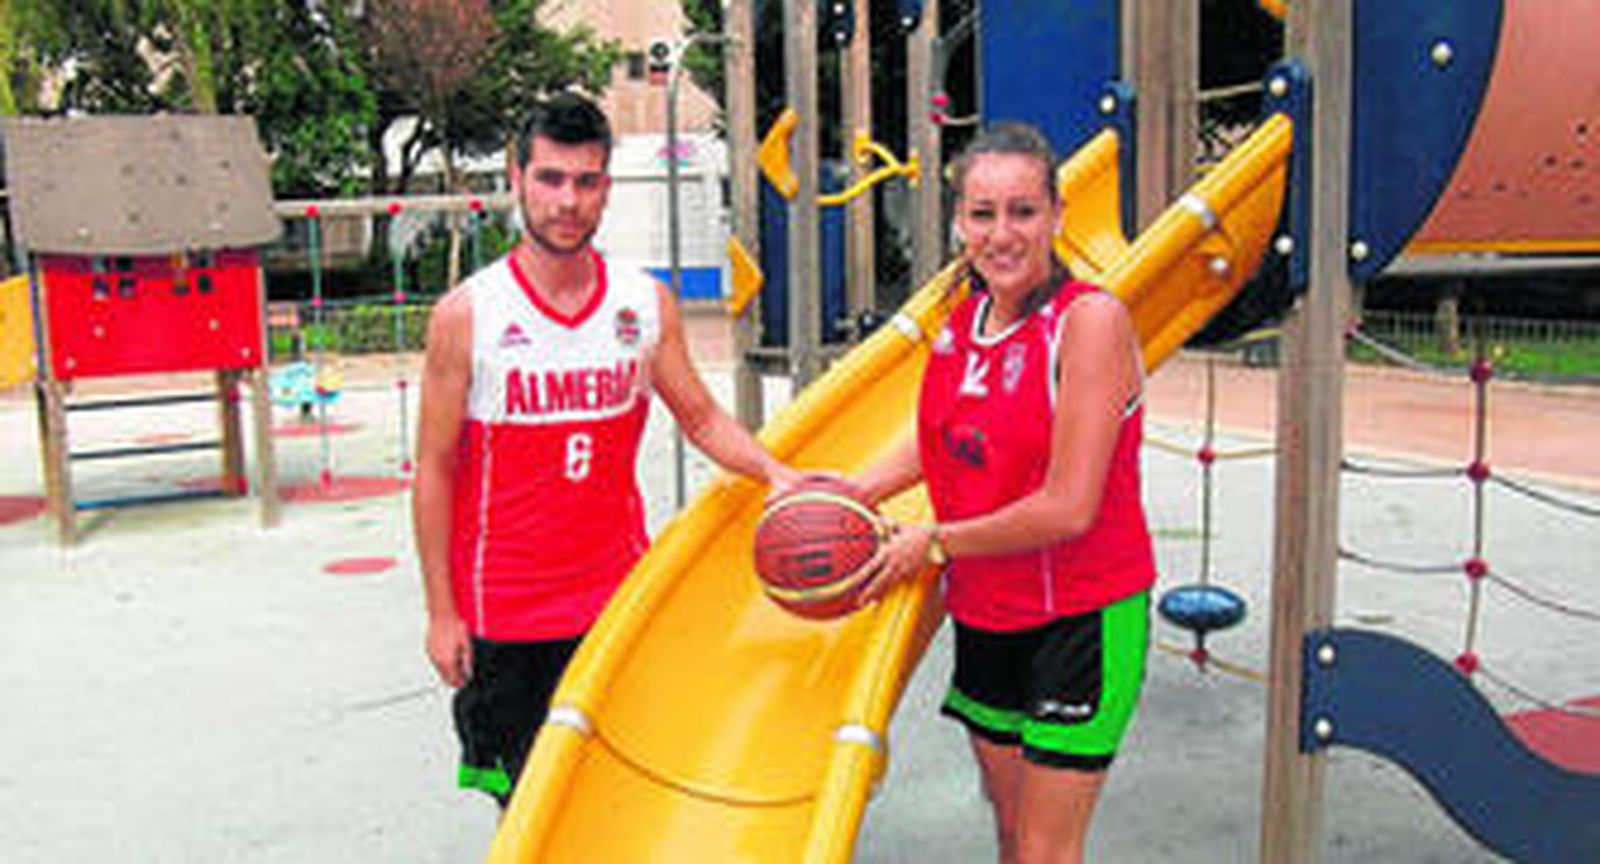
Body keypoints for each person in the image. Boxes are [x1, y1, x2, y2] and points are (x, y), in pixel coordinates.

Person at [411, 92, 799, 807]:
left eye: (587, 182)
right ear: (518, 176)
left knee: (620, 797)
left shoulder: (643, 304)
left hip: (616, 600)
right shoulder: (468, 315)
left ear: (606, 189)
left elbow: (704, 418)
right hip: (506, 613)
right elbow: (434, 470)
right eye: (551, 179)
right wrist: (441, 612)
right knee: (533, 814)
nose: (568, 201)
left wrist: (777, 472)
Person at [851, 122, 1156, 864]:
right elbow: (943, 442)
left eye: (1022, 211)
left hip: (1081, 615)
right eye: (983, 214)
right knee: (1014, 837)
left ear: (1056, 215)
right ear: (959, 223)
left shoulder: (1090, 322)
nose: (1002, 233)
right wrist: (846, 489)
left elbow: (1069, 505)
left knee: (1048, 852)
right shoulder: (961, 326)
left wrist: (933, 542)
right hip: (988, 610)